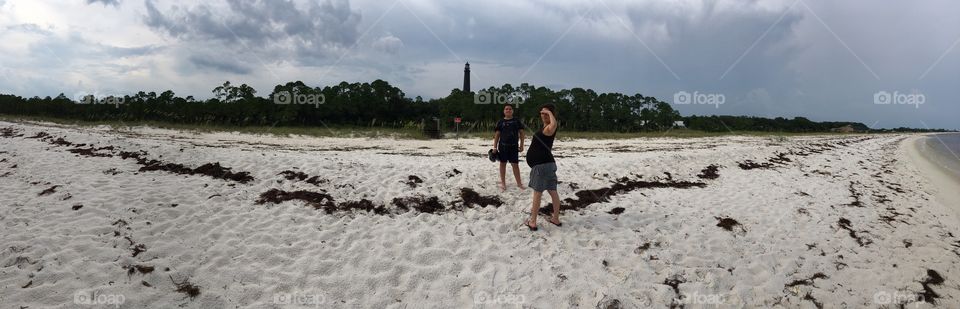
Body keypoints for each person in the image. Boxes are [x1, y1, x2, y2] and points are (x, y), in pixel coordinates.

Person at [524, 103, 561, 231]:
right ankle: (555, 219)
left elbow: (554, 125)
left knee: (537, 194)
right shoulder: (544, 127)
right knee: (553, 192)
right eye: (542, 113)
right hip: (548, 165)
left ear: (551, 114)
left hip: (541, 166)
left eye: (546, 113)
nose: (543, 115)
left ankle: (533, 222)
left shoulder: (550, 128)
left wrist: (549, 113)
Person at [492, 104, 526, 191]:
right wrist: (495, 147)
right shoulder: (500, 122)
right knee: (502, 164)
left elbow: (522, 133)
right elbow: (497, 135)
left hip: (514, 146)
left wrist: (522, 145)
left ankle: (519, 183)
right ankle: (503, 183)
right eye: (506, 109)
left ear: (512, 111)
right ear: (504, 111)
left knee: (515, 165)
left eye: (510, 109)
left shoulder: (517, 121)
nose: (508, 110)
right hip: (503, 146)